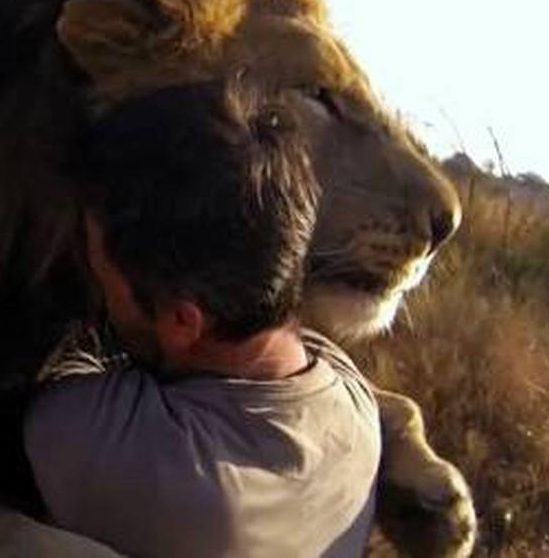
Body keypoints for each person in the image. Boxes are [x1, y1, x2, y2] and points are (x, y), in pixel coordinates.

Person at [24, 82, 382, 557]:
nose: (96, 292)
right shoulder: (356, 411)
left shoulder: (98, 440)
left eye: (98, 273)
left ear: (181, 320)